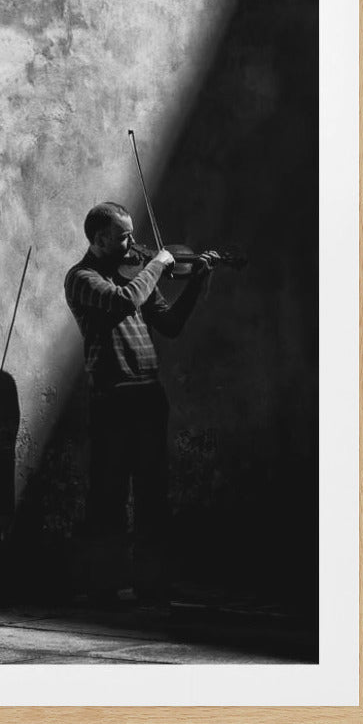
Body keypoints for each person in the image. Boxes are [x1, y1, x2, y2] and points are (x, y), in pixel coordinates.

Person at [64, 201, 217, 606]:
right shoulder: (82, 279)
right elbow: (121, 302)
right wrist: (158, 264)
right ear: (99, 240)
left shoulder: (133, 276)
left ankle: (154, 584)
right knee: (109, 496)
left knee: (153, 494)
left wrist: (196, 282)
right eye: (124, 236)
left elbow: (170, 325)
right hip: (111, 397)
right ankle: (104, 586)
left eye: (132, 235)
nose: (134, 244)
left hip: (148, 396)